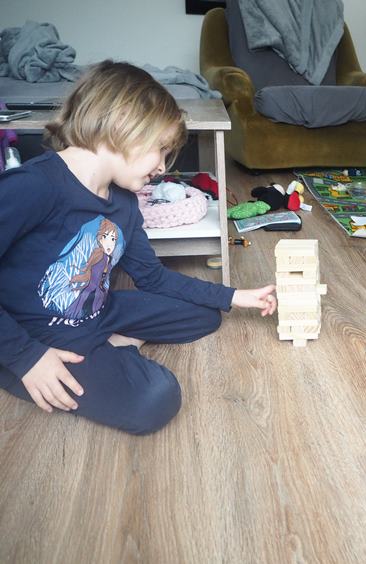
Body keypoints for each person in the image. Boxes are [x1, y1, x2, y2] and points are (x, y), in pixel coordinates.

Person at [0, 61, 277, 434]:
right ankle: (86, 354)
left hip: (97, 311)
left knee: (206, 314)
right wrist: (27, 357)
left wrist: (235, 296)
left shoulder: (124, 203)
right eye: (160, 149)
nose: (162, 167)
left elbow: (153, 278)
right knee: (156, 397)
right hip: (36, 336)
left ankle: (114, 341)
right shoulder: (33, 186)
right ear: (122, 125)